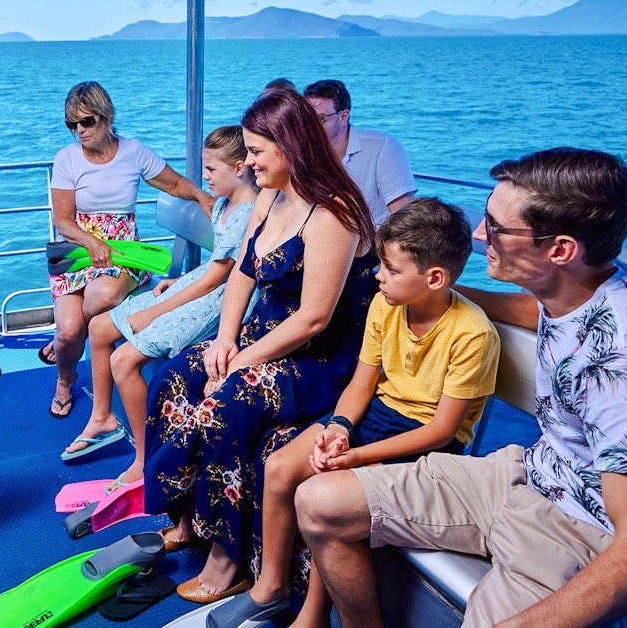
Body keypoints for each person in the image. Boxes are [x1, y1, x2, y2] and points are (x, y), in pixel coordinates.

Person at [298, 147, 627, 627]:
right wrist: (441, 291)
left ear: (561, 250)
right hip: (525, 471)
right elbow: (538, 312)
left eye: (497, 226)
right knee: (317, 502)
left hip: (575, 527)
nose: (480, 234)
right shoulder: (580, 286)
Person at [208, 197, 500, 628]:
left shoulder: (473, 334)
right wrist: (341, 428)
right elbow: (362, 384)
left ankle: (312, 616)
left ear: (435, 277)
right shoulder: (386, 306)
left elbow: (443, 431)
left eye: (392, 270)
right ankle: (271, 586)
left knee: (330, 490)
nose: (378, 276)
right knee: (281, 466)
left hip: (425, 441)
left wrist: (355, 457)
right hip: (375, 415)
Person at [143, 88, 377, 604]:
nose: (247, 164)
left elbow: (315, 319)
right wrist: (226, 339)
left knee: (225, 405)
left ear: (293, 146)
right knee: (176, 376)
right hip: (264, 338)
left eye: (256, 152)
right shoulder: (271, 196)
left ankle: (229, 559)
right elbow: (245, 272)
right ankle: (187, 522)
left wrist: (243, 360)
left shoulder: (334, 212)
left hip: (319, 360)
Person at [63, 126, 259, 490]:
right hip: (201, 285)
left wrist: (154, 311)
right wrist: (177, 281)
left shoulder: (249, 213)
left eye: (211, 170)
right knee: (99, 328)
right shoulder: (223, 207)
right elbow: (217, 263)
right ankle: (102, 417)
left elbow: (219, 280)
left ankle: (144, 460)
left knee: (124, 361)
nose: (205, 177)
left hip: (218, 302)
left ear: (238, 168)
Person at [42, 81, 214, 419]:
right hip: (78, 249)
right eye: (72, 124)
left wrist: (202, 195)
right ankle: (66, 379)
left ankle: (66, 345)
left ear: (106, 117)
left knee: (101, 297)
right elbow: (62, 220)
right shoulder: (66, 159)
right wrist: (92, 243)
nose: (80, 131)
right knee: (69, 330)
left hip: (122, 253)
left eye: (87, 122)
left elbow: (174, 182)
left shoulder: (133, 152)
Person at [302, 79, 417, 227]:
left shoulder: (382, 147)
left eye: (320, 119)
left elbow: (404, 218)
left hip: (375, 243)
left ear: (343, 116)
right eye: (306, 119)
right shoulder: (303, 154)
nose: (310, 126)